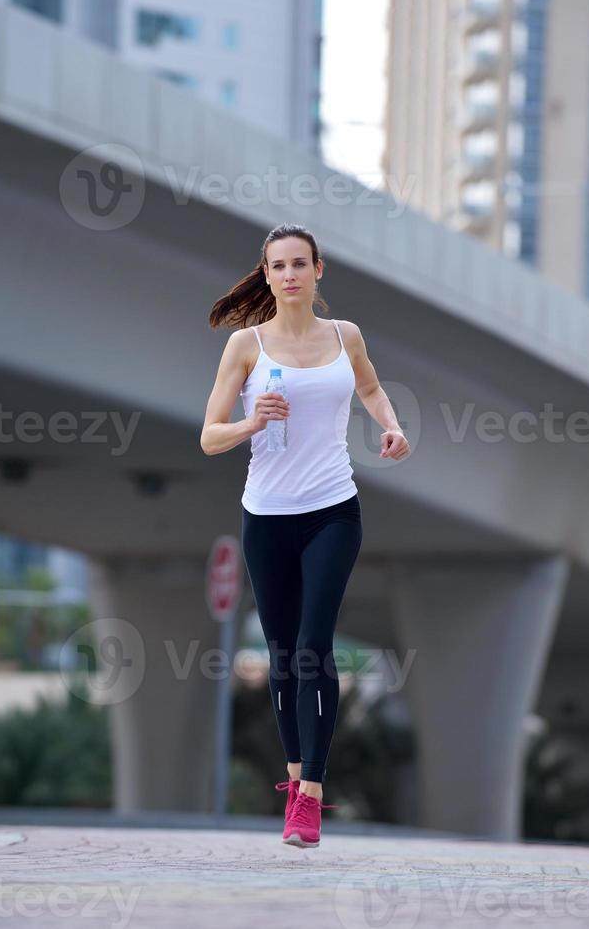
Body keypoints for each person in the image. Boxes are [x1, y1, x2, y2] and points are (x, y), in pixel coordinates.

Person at [200, 222, 410, 847]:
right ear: (265, 275)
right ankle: (294, 781)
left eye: (300, 263)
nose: (289, 274)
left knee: (315, 643)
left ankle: (310, 795)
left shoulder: (346, 337)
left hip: (332, 511)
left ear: (319, 271)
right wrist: (250, 420)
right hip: (266, 518)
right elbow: (209, 436)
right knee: (284, 658)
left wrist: (390, 426)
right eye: (278, 266)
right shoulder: (245, 345)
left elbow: (371, 388)